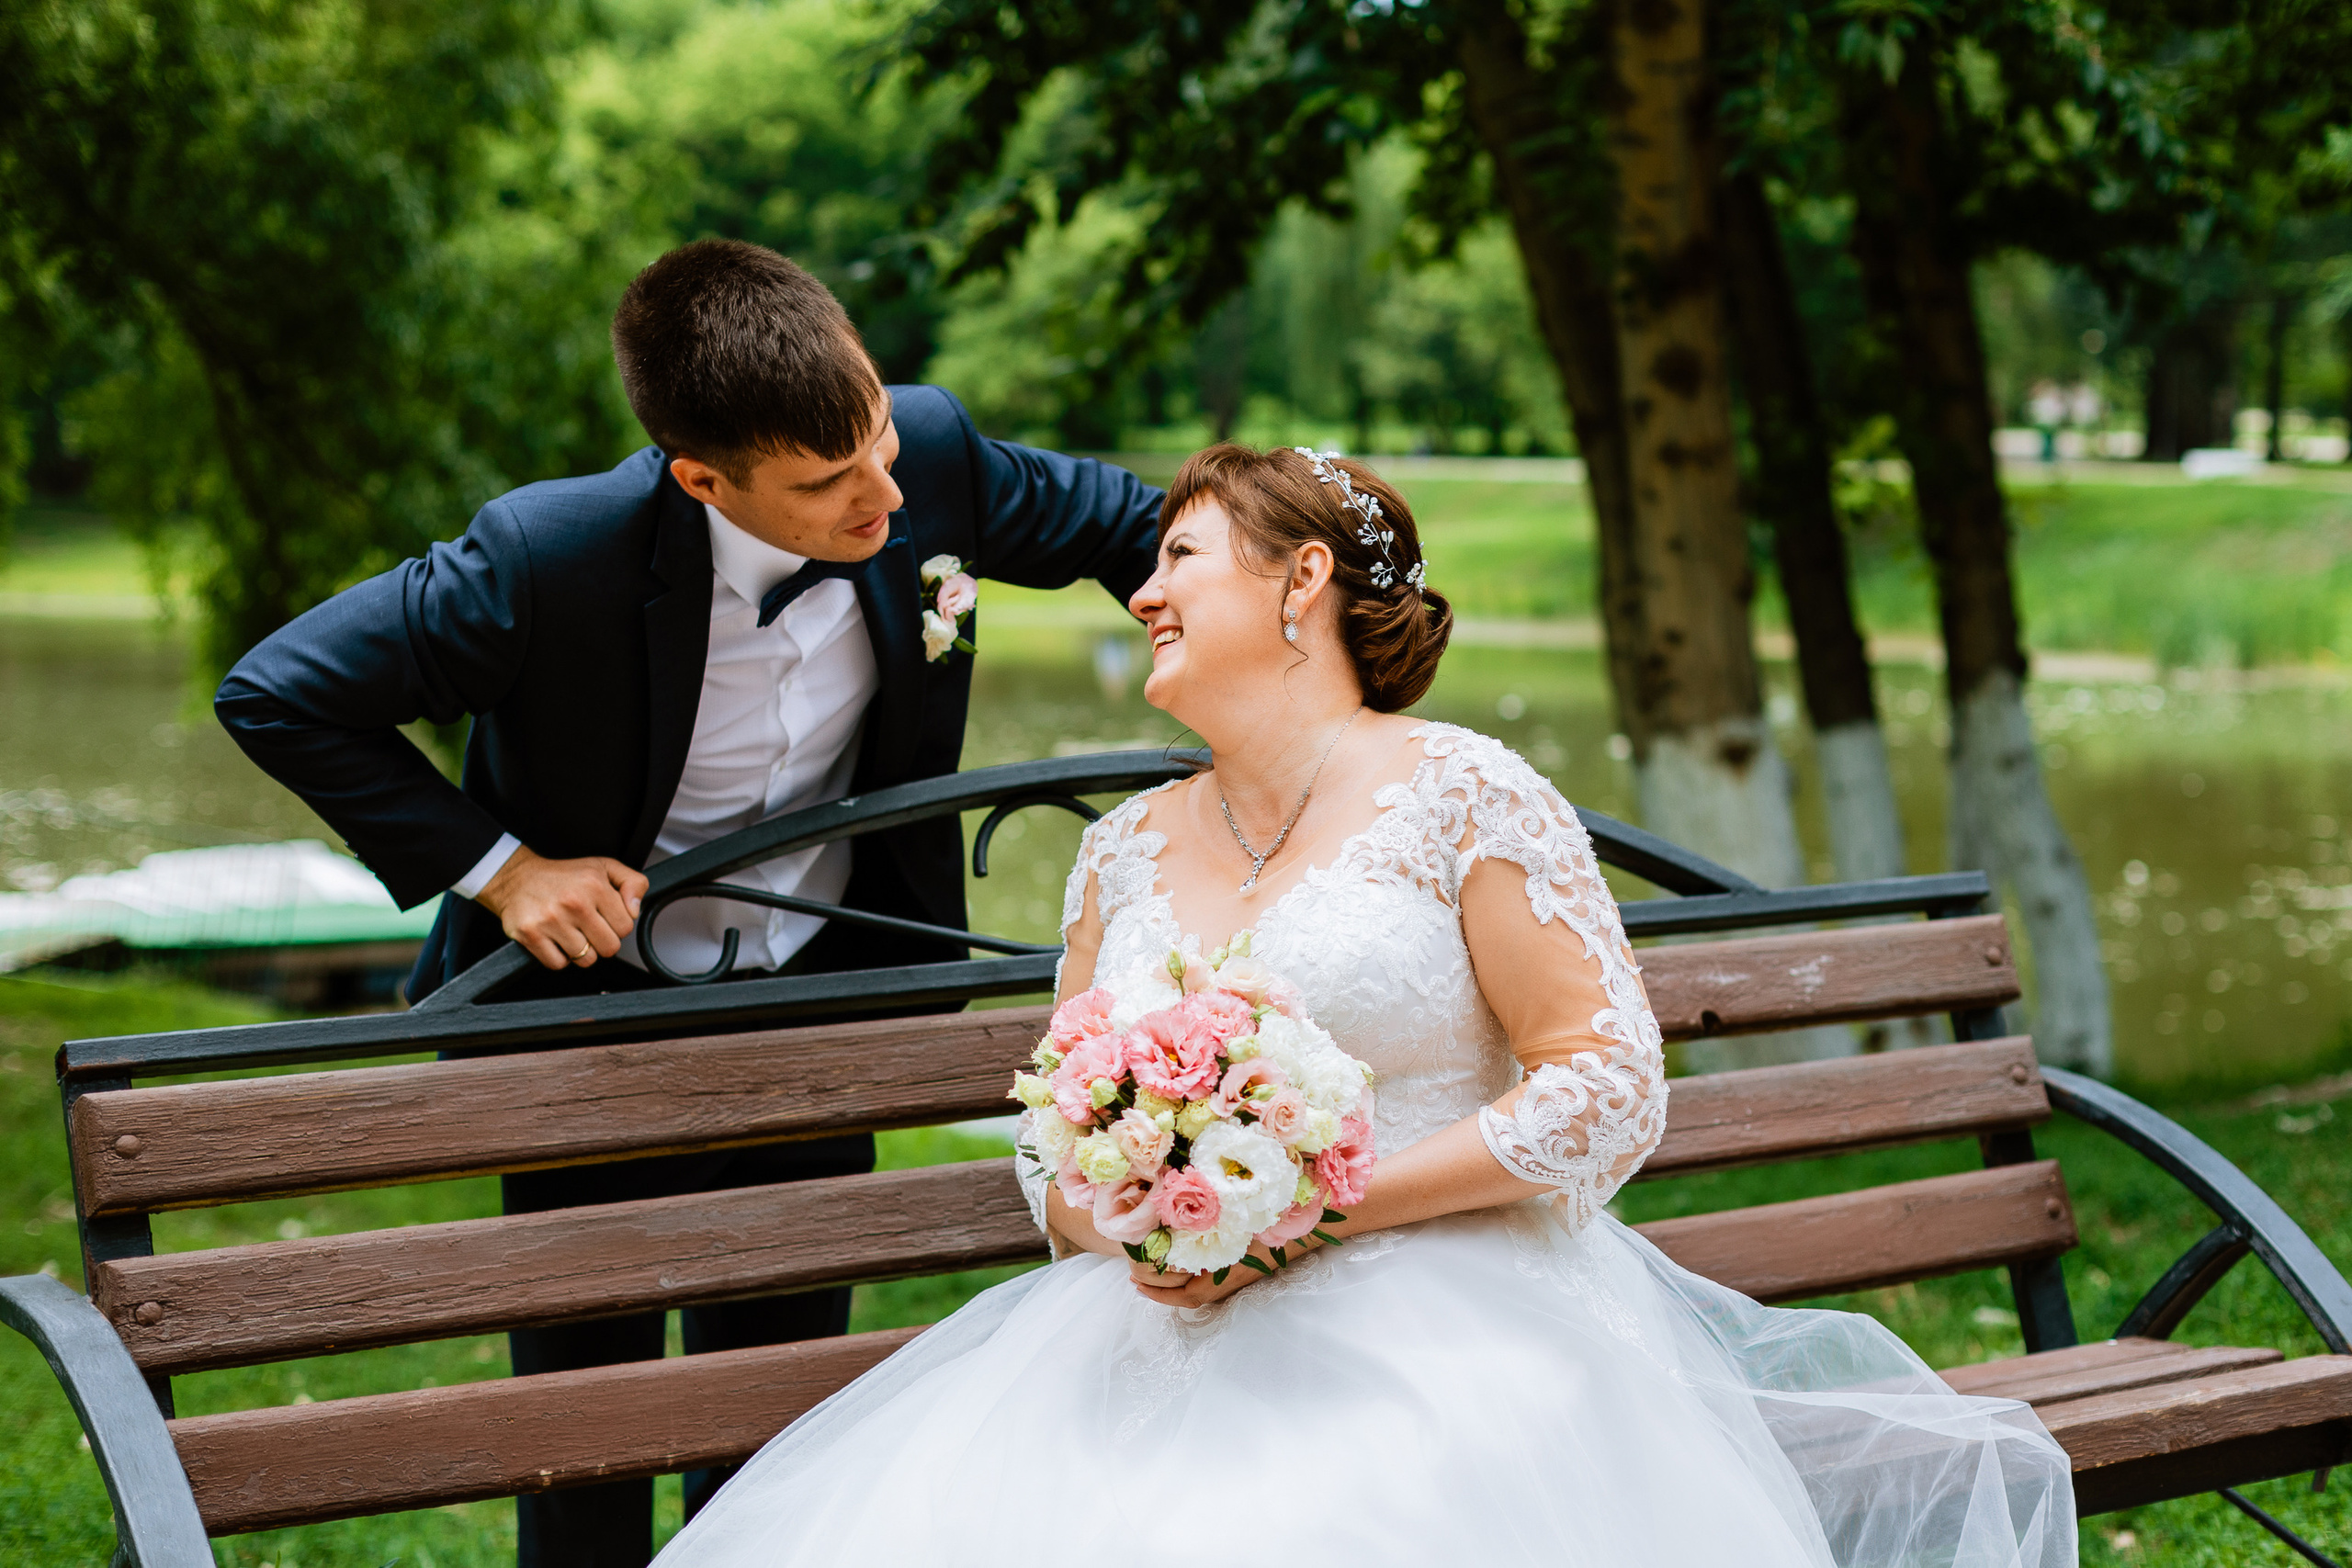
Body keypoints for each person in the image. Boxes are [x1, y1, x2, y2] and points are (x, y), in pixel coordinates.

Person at [654, 444, 2078, 1567]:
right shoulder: (1120, 852)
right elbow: (1048, 1135)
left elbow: (1604, 1086)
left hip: (1450, 1308)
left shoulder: (1464, 792)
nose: (1141, 594)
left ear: (1303, 580)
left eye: (1178, 558)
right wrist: (1144, 1216)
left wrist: (1310, 1214)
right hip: (1140, 1326)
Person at [212, 239, 1164, 1568]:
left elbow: (1151, 532)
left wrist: (1270, 674)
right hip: (582, 1031)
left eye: (882, 446)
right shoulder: (545, 557)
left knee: (781, 1422)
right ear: (701, 478)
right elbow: (278, 692)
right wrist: (506, 870)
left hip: (820, 1006)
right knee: (583, 1429)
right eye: (827, 484)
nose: (886, 497)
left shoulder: (932, 458)